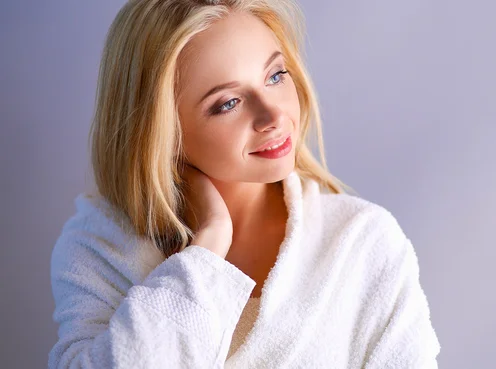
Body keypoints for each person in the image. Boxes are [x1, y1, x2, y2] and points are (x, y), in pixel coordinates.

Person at [48, 0, 441, 368]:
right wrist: (207, 250)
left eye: (275, 75)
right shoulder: (100, 247)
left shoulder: (362, 242)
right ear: (162, 130)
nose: (272, 114)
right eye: (228, 103)